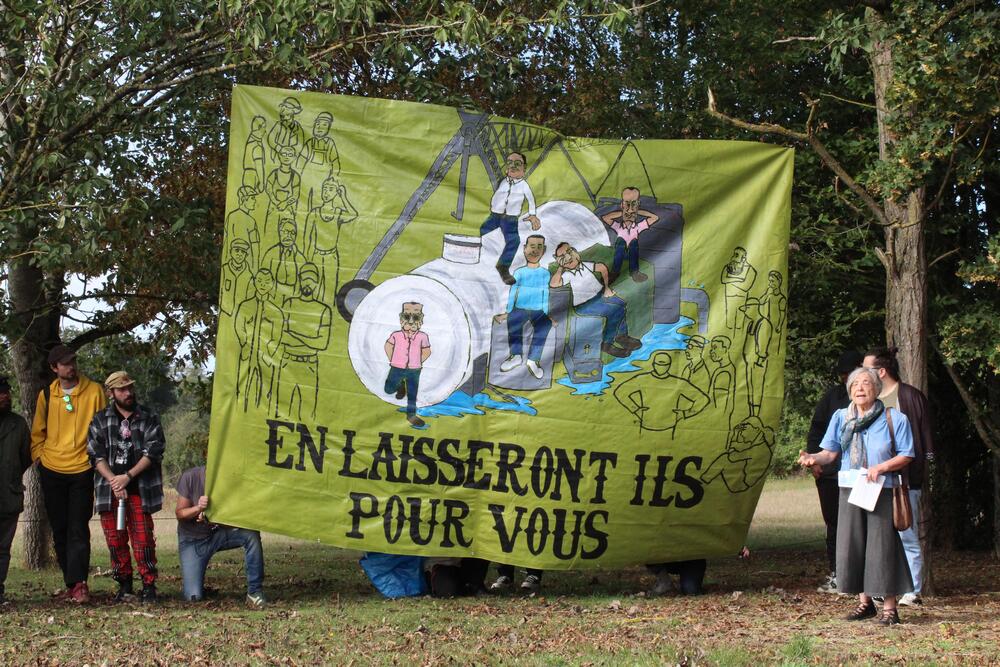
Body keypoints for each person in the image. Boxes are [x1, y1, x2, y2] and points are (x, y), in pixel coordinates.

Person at [797, 367, 915, 626]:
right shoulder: (841, 417)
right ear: (849, 390)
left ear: (877, 388)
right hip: (850, 487)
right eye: (855, 384)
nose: (860, 388)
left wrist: (881, 467)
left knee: (882, 547)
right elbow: (829, 453)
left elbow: (907, 453)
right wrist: (812, 458)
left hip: (881, 488)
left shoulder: (894, 418)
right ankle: (865, 603)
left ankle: (890, 609)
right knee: (854, 544)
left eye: (866, 383)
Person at [30, 344, 107, 603]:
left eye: (72, 361)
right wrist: (40, 458)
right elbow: (37, 432)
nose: (70, 367)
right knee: (60, 529)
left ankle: (81, 584)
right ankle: (71, 583)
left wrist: (96, 460)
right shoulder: (46, 395)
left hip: (82, 468)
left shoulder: (94, 391)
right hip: (51, 468)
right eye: (64, 363)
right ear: (54, 368)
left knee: (78, 527)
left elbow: (103, 428)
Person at [863, 347, 934, 606]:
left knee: (907, 533)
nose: (862, 375)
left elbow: (923, 440)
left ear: (881, 371)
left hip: (903, 481)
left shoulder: (910, 397)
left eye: (867, 369)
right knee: (876, 535)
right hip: (872, 481)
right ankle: (880, 587)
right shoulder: (868, 401)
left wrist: (920, 472)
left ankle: (912, 590)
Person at [87, 371, 166, 603]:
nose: (128, 393)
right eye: (122, 389)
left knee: (143, 540)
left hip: (140, 488)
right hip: (109, 490)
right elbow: (95, 454)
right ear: (111, 393)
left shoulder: (148, 417)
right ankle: (124, 585)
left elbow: (154, 450)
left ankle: (149, 585)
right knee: (115, 540)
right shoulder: (100, 419)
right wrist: (114, 480)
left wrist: (128, 477)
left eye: (130, 387)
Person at [806, 350, 863, 595]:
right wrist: (814, 461)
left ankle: (863, 577)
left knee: (861, 526)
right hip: (831, 474)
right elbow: (816, 431)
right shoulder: (832, 399)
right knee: (834, 525)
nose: (847, 378)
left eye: (850, 373)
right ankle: (837, 573)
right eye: (843, 374)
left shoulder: (874, 400)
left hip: (862, 475)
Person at [175, 465, 266, 607]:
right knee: (193, 597)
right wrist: (198, 508)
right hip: (193, 542)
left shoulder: (230, 479)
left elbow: (234, 516)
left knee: (251, 535)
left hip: (217, 535)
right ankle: (198, 586)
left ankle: (254, 592)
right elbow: (179, 514)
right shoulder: (190, 476)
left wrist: (213, 519)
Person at [550, 243, 640, 358]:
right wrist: (560, 267)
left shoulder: (585, 265)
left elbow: (602, 267)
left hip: (600, 296)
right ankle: (607, 343)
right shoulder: (567, 275)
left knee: (621, 303)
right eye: (562, 257)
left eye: (569, 252)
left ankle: (621, 336)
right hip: (584, 305)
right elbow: (554, 284)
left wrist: (606, 287)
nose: (568, 258)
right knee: (616, 309)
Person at [494, 235, 551, 379]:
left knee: (545, 324)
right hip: (520, 308)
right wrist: (508, 311)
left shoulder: (545, 273)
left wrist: (545, 313)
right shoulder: (519, 272)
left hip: (538, 310)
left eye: (539, 247)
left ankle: (533, 360)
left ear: (544, 251)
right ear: (525, 249)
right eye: (532, 246)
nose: (535, 250)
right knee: (514, 321)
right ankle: (516, 355)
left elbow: (545, 293)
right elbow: (513, 292)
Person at [480, 152, 541, 285]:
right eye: (510, 163)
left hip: (510, 219)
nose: (513, 166)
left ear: (524, 168)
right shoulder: (503, 181)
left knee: (514, 240)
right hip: (495, 215)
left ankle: (503, 266)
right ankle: (483, 260)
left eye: (517, 163)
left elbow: (531, 200)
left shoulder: (524, 185)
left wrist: (532, 215)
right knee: (484, 231)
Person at [0, 375, 31, 607]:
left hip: (8, 495)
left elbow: (25, 457)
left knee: (2, 548)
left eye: (6, 392)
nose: (4, 396)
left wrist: (10, 476)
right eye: (0, 393)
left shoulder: (18, 424)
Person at [384, 302, 432, 427]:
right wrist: (393, 359)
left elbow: (427, 351)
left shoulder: (422, 336)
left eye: (415, 318)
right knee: (388, 389)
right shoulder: (396, 335)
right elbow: (388, 346)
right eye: (407, 318)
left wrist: (418, 361)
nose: (411, 322)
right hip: (397, 367)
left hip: (414, 370)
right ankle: (400, 386)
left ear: (420, 321)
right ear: (401, 320)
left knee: (412, 393)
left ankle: (411, 415)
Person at [600, 186, 660, 282]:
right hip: (621, 251)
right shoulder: (618, 226)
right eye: (627, 203)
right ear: (622, 204)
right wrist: (623, 212)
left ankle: (634, 272)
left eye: (634, 204)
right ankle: (615, 272)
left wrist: (637, 211)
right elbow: (605, 218)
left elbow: (655, 218)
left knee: (634, 243)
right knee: (620, 242)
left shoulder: (638, 227)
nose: (630, 210)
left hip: (632, 251)